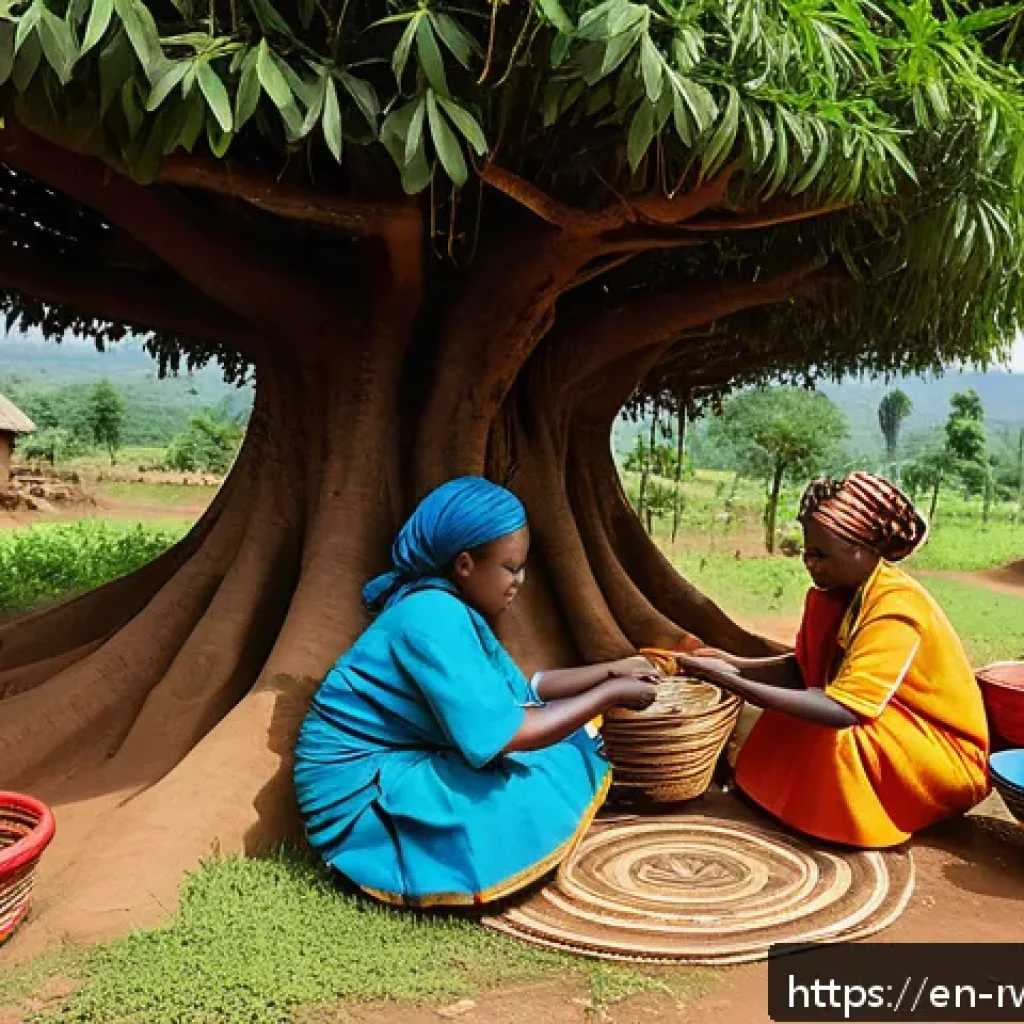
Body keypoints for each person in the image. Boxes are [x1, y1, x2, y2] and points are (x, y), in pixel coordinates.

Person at [293, 476, 659, 906]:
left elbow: (526, 691)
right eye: (510, 568)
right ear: (465, 565)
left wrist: (610, 670)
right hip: (360, 795)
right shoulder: (431, 615)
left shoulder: (446, 607)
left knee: (559, 752)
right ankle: (393, 861)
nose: (519, 581)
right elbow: (508, 734)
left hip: (397, 763)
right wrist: (608, 695)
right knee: (541, 776)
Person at [672, 471, 990, 849]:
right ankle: (787, 802)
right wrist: (731, 665)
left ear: (861, 548)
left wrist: (733, 682)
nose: (808, 562)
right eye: (807, 552)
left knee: (834, 737)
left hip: (945, 759)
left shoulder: (896, 608)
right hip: (896, 728)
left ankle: (845, 820)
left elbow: (844, 710)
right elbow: (802, 672)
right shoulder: (842, 595)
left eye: (820, 554)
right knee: (790, 711)